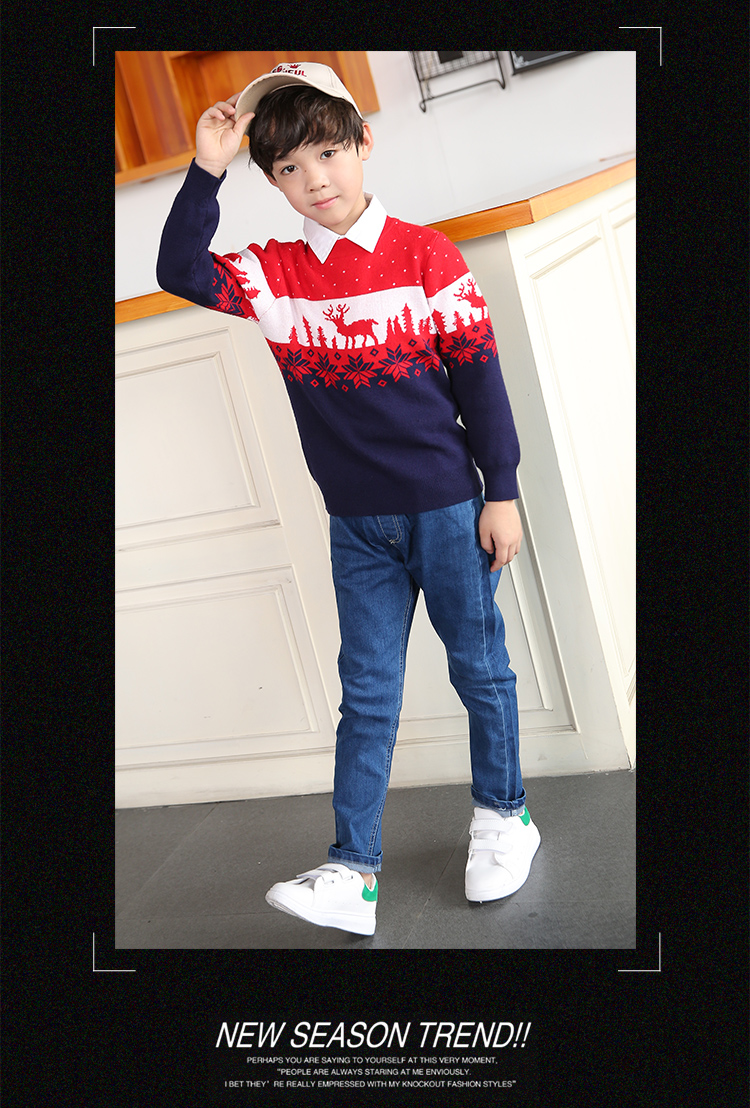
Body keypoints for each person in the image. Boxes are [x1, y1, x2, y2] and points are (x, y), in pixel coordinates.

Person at [157, 61, 540, 937]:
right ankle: (352, 871)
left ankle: (505, 815)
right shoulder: (270, 275)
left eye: (328, 153)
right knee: (366, 694)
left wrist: (503, 492)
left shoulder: (428, 255)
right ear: (271, 180)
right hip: (356, 527)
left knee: (480, 668)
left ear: (364, 142)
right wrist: (207, 166)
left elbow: (482, 386)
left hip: (449, 509)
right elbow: (178, 267)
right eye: (289, 167)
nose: (315, 179)